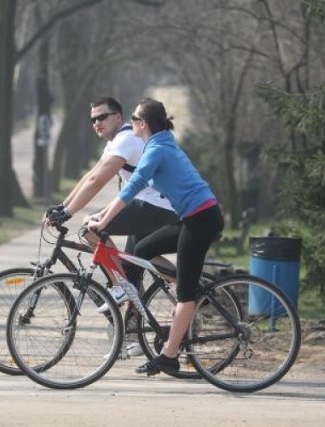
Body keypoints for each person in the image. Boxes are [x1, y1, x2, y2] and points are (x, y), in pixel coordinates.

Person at [87, 97, 224, 376]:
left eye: (134, 119)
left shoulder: (156, 150)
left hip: (202, 220)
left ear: (142, 124)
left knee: (184, 295)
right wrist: (102, 217)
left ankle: (169, 355)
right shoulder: (160, 142)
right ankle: (192, 289)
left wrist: (103, 220)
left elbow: (132, 189)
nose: (131, 124)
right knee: (142, 250)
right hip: (192, 217)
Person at [46, 96, 179, 354]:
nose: (96, 123)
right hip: (149, 205)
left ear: (119, 117)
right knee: (134, 264)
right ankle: (137, 333)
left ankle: (122, 288)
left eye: (102, 117)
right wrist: (63, 207)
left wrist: (69, 213)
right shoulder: (117, 142)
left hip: (158, 205)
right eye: (93, 119)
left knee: (91, 230)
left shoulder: (127, 140)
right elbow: (90, 175)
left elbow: (97, 182)